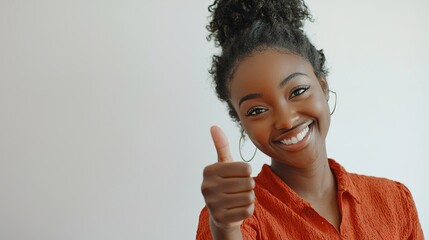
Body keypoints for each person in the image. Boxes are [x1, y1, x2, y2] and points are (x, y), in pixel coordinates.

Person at [196, 0, 424, 239]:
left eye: (297, 92)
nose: (286, 120)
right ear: (241, 123)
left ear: (323, 87)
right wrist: (226, 231)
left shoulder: (394, 201)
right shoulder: (237, 218)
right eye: (256, 110)